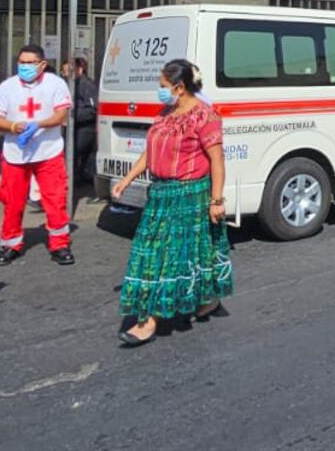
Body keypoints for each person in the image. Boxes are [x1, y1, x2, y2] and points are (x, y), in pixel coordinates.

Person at [111, 59, 232, 347]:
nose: (160, 91)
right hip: (160, 195)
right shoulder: (165, 113)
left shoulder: (205, 116)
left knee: (179, 254)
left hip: (190, 195)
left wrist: (217, 200)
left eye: (163, 86)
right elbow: (149, 153)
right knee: (152, 252)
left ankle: (151, 318)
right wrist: (127, 179)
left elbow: (217, 160)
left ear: (179, 87)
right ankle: (199, 301)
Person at [0, 45, 74, 266]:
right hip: (15, 153)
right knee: (13, 201)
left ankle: (60, 245)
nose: (25, 67)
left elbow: (61, 115)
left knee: (55, 200)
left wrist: (38, 124)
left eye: (30, 63)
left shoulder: (56, 83)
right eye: (21, 62)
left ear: (42, 64)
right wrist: (13, 125)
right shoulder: (7, 87)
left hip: (49, 151)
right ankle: (11, 244)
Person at [62, 55, 99, 187]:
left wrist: (73, 116)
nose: (66, 75)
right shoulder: (72, 84)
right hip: (75, 126)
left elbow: (93, 108)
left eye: (69, 71)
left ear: (80, 70)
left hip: (85, 128)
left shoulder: (86, 85)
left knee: (72, 153)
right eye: (64, 72)